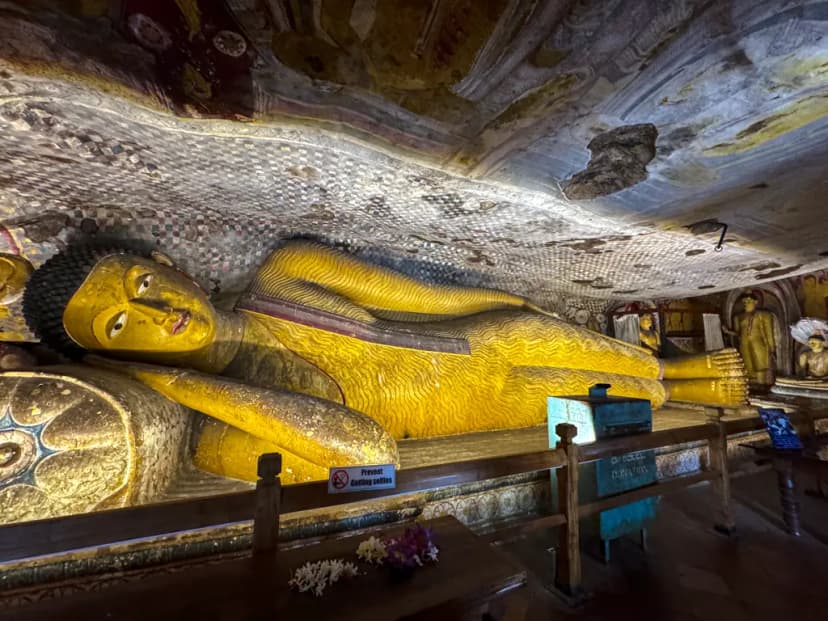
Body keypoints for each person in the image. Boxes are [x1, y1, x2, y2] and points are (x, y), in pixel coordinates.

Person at [22, 240, 748, 483]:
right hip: (471, 412)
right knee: (607, 404)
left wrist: (525, 307)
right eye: (123, 324)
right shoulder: (220, 430)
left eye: (146, 284)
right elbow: (368, 451)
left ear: (163, 260)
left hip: (478, 344)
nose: (159, 311)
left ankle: (679, 368)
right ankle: (675, 384)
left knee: (565, 345)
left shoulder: (283, 272)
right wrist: (166, 379)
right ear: (105, 353)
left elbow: (428, 299)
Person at [728, 292, 776, 386]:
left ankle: (762, 384)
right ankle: (752, 384)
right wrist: (728, 331)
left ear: (756, 302)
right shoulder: (738, 317)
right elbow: (738, 333)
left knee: (760, 363)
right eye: (745, 301)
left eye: (749, 300)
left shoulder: (763, 315)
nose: (746, 302)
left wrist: (772, 347)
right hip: (744, 343)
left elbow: (769, 332)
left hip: (758, 342)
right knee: (747, 363)